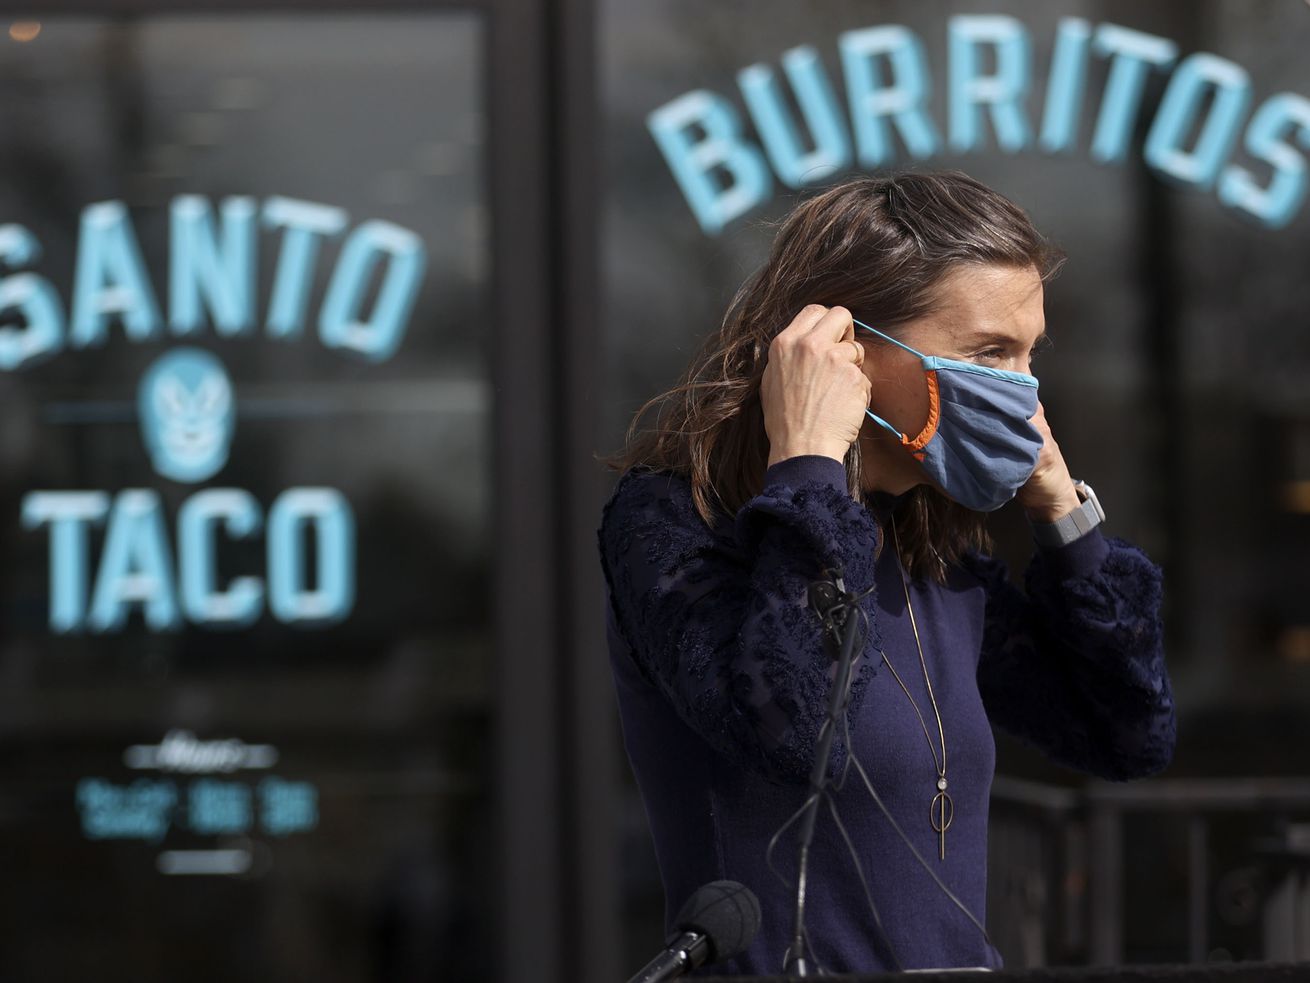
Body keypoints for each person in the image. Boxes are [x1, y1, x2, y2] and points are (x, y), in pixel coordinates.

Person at [596, 171, 1176, 975]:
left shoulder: (933, 552)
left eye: (1029, 355)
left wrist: (1062, 514)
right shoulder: (674, 522)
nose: (1023, 391)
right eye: (989, 352)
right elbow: (795, 732)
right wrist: (807, 462)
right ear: (844, 347)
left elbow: (1129, 732)